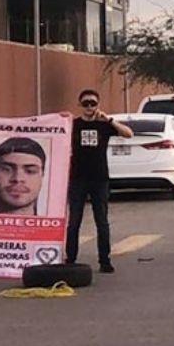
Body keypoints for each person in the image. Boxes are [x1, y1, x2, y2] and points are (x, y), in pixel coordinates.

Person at [65, 89, 133, 273]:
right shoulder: (73, 125)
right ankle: (70, 258)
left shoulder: (104, 126)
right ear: (80, 105)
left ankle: (105, 260)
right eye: (85, 103)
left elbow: (129, 134)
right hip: (77, 178)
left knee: (101, 221)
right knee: (74, 221)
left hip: (99, 178)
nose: (89, 107)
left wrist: (109, 120)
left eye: (92, 103)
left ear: (98, 105)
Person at [0, 137, 46, 215]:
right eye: (7, 170)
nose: (17, 178)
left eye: (30, 171)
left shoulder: (60, 226)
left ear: (42, 176)